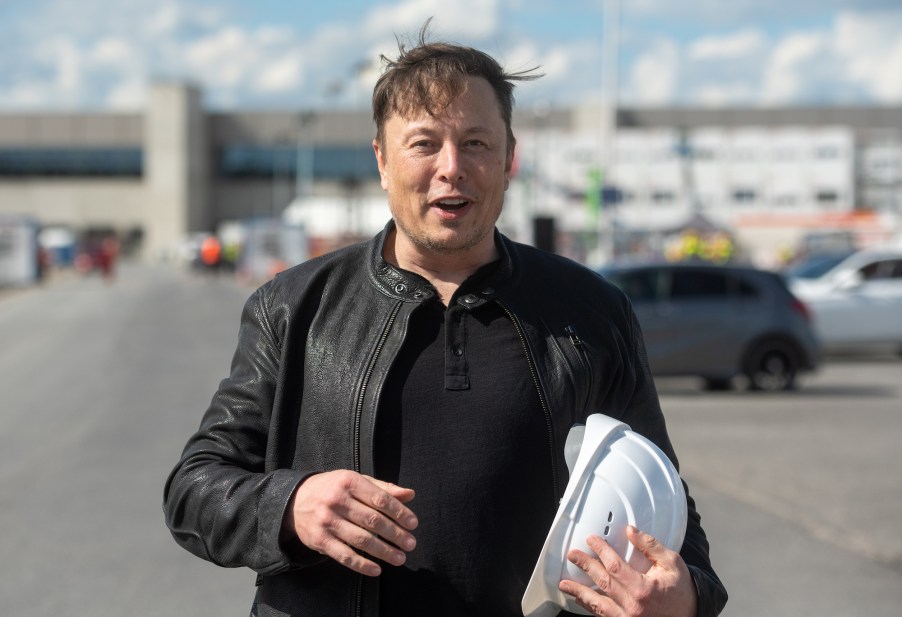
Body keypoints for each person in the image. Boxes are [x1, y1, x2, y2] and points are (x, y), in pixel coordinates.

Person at [163, 23, 728, 617]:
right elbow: (193, 489)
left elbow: (664, 500)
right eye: (424, 143)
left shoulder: (592, 313)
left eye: (477, 143)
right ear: (382, 161)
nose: (451, 167)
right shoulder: (293, 307)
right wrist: (291, 503)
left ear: (509, 158)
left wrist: (687, 595)